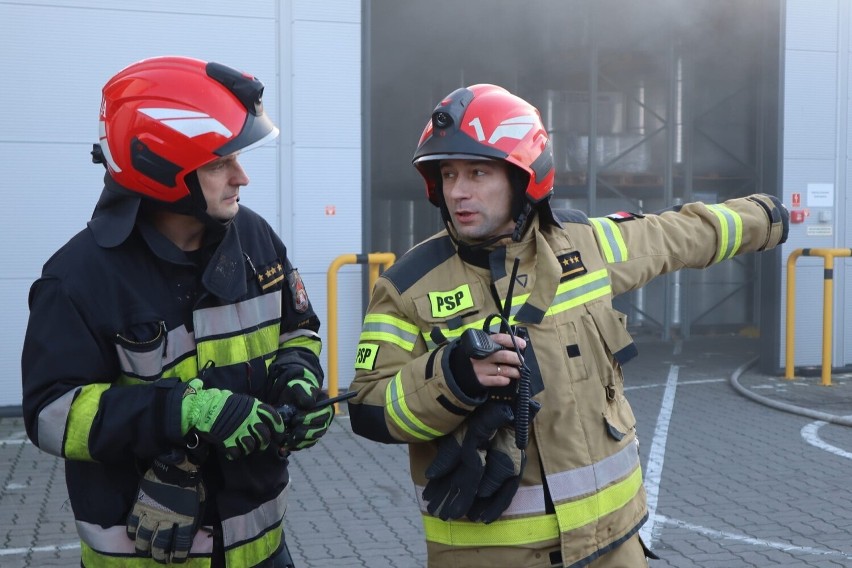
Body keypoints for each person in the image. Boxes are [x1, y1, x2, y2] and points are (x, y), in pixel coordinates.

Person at [348, 83, 788, 568]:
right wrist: (450, 378)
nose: (457, 191)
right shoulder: (406, 285)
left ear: (524, 177)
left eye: (477, 171)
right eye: (447, 174)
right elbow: (368, 409)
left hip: (615, 545)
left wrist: (767, 217)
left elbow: (678, 235)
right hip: (495, 555)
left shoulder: (583, 245)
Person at [21, 56, 335, 567]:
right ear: (161, 168)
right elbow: (50, 416)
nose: (242, 177)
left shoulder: (255, 239)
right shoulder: (77, 279)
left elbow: (297, 329)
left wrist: (296, 378)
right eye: (218, 163)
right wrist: (181, 410)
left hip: (263, 550)